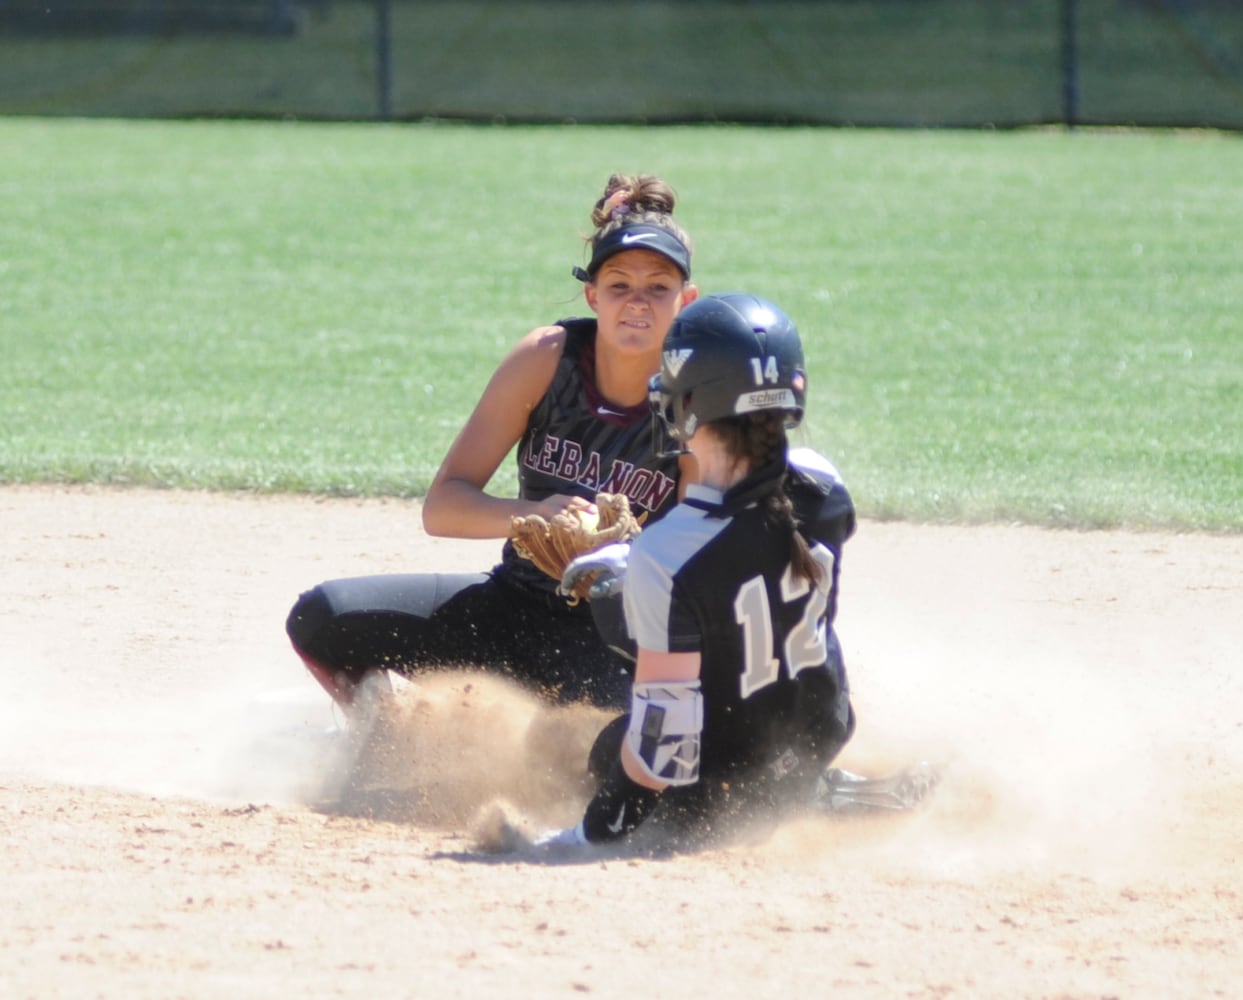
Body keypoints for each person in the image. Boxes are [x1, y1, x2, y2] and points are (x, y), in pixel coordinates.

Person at [285, 173, 699, 711]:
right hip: (511, 608)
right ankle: (383, 726)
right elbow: (444, 507)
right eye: (619, 285)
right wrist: (535, 515)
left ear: (687, 299)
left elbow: (704, 552)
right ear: (593, 294)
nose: (636, 302)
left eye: (658, 287)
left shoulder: (693, 395)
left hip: (614, 639)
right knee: (323, 616)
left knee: (620, 744)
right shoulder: (547, 359)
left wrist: (623, 557)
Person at [538, 293, 856, 852]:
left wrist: (588, 835)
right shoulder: (825, 486)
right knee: (676, 610)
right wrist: (638, 563)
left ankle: (784, 800)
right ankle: (812, 788)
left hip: (726, 787)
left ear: (689, 405)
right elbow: (750, 551)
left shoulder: (668, 554)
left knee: (611, 742)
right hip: (823, 731)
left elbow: (665, 752)